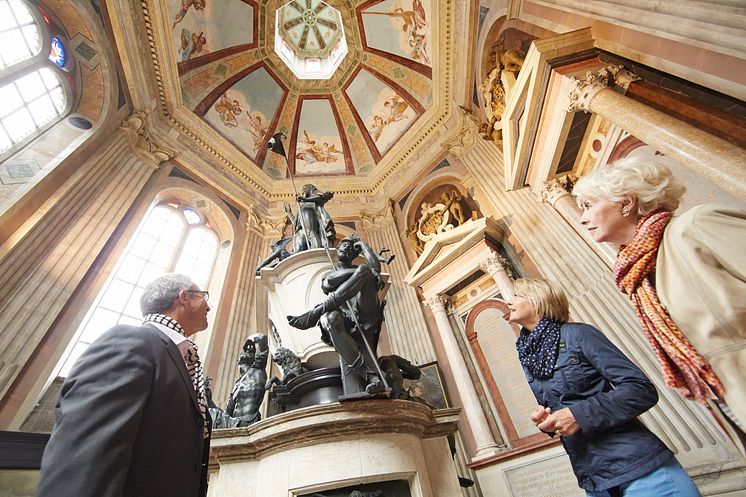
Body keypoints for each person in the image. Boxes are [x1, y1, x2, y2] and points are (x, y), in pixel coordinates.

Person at [572, 156, 746, 428]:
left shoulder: (695, 227)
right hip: (727, 400)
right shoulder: (638, 276)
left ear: (626, 202)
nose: (582, 220)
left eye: (588, 206)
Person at [498, 277, 700, 496]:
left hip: (640, 470)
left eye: (516, 295)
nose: (509, 302)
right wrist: (548, 419)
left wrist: (577, 414)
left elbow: (641, 389)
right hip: (594, 480)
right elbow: (566, 404)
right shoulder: (530, 355)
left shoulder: (579, 334)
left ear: (537, 300)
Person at [36, 273, 212, 497]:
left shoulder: (179, 357)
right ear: (184, 297)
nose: (209, 305)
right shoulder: (131, 342)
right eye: (204, 296)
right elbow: (86, 458)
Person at [287, 234, 390, 395]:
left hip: (365, 311)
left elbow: (375, 269)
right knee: (329, 318)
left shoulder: (361, 270)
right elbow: (330, 283)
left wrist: (362, 244)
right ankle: (371, 375)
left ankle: (317, 311)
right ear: (337, 249)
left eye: (352, 248)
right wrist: (357, 274)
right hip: (345, 318)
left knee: (365, 271)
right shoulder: (328, 274)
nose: (348, 249)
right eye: (344, 245)